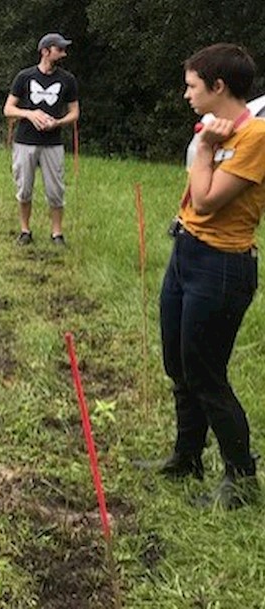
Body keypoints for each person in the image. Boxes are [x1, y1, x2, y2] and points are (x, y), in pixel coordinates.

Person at [154, 43, 265, 509]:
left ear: (218, 87)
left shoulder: (254, 138)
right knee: (178, 364)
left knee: (207, 375)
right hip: (187, 254)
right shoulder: (221, 132)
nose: (186, 96)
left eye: (192, 86)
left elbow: (206, 199)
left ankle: (240, 482)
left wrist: (205, 146)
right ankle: (187, 458)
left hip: (221, 267)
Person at [3, 33, 80, 246]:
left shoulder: (68, 80)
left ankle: (57, 234)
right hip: (24, 142)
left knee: (56, 191)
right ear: (45, 51)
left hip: (52, 144)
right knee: (24, 188)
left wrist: (57, 122)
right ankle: (25, 230)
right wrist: (30, 113)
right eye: (59, 48)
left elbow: (75, 113)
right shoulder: (24, 77)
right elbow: (8, 109)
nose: (63, 52)